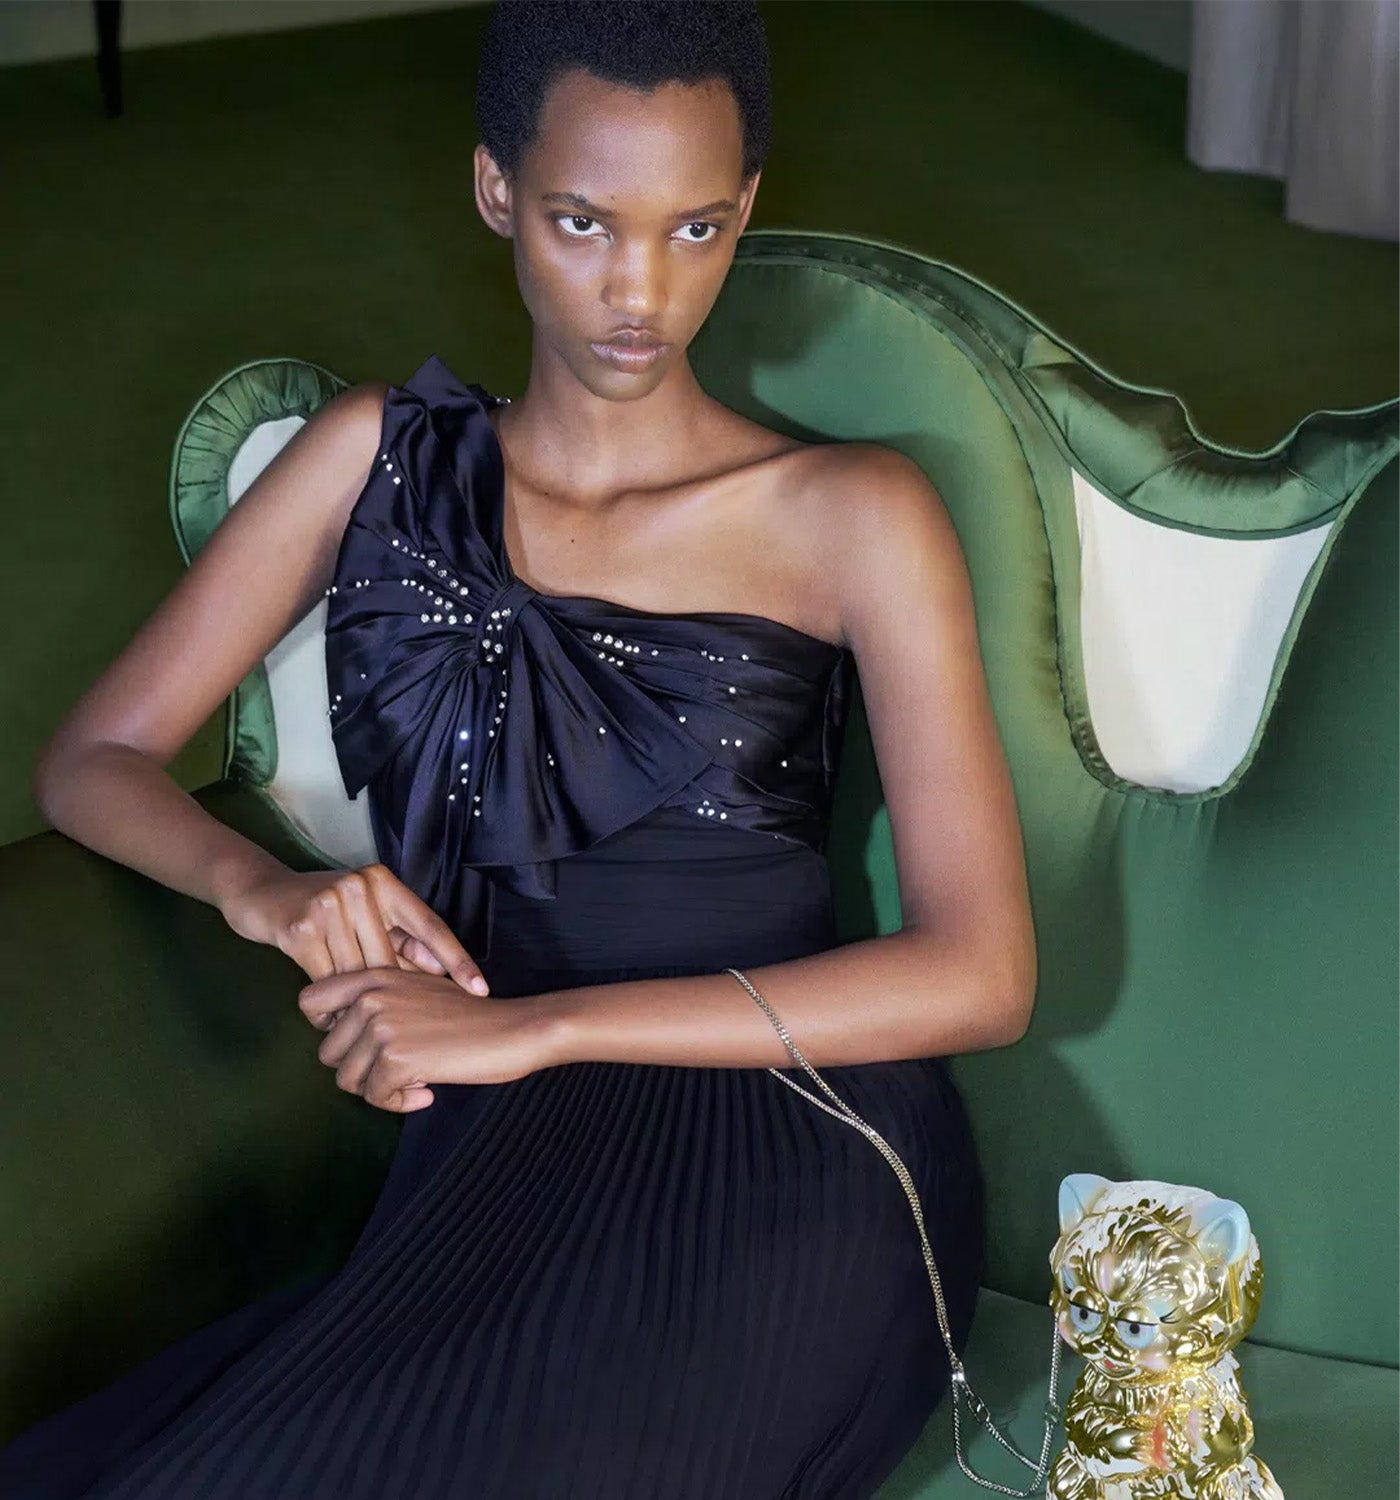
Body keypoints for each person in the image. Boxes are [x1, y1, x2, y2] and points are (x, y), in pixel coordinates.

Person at [0, 1, 1037, 1496]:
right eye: (581, 221)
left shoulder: (850, 515)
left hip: (798, 1148)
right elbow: (92, 757)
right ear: (496, 191)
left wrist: (538, 1028)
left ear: (746, 207)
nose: (640, 290)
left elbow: (982, 976)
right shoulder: (372, 459)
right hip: (494, 1138)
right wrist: (272, 895)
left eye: (695, 229)